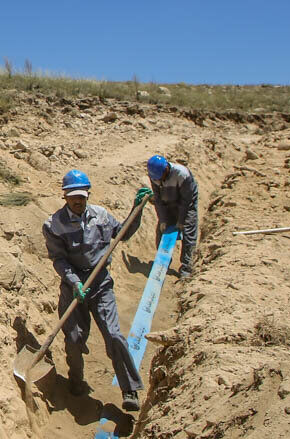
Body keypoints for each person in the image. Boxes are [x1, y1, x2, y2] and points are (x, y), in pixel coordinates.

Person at [42, 169, 151, 411]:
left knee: (114, 335)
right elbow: (59, 259)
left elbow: (123, 233)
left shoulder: (101, 216)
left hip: (100, 284)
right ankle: (76, 380)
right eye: (72, 197)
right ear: (65, 196)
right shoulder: (54, 225)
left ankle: (129, 389)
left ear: (87, 194)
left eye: (81, 196)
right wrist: (74, 282)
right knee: (74, 338)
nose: (77, 201)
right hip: (74, 287)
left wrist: (137, 210)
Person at [146, 154, 200, 279]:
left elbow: (185, 201)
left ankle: (187, 267)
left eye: (161, 177)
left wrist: (181, 221)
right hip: (168, 199)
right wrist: (163, 219)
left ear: (166, 169)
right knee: (162, 230)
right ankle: (163, 262)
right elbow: (158, 199)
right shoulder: (155, 175)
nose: (159, 180)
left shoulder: (182, 174)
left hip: (187, 202)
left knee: (188, 231)